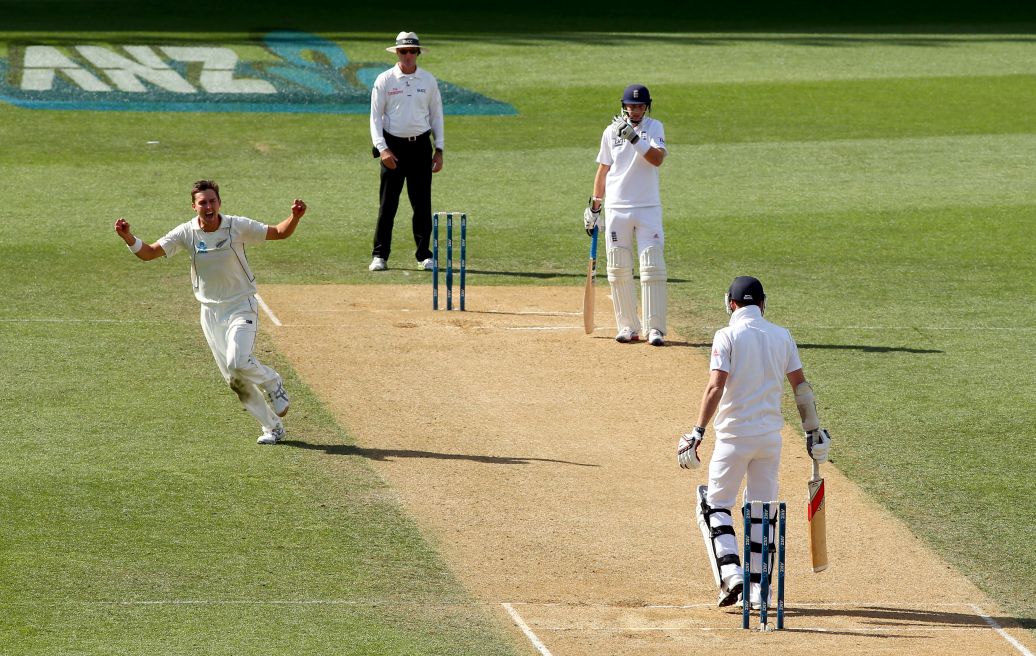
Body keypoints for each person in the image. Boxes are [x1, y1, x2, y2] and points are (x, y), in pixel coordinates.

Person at [113, 179, 307, 445]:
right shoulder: (186, 232)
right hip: (210, 313)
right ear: (194, 206)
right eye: (202, 202)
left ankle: (273, 382)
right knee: (234, 379)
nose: (208, 206)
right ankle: (272, 427)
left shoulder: (236, 226)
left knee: (237, 361)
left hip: (241, 305)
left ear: (219, 203)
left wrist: (294, 217)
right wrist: (128, 237)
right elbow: (149, 253)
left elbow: (279, 233)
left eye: (212, 201)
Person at [676, 276, 831, 608]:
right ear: (762, 304)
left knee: (714, 505)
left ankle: (732, 575)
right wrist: (813, 431)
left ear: (731, 304)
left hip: (733, 439)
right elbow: (801, 389)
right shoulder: (782, 336)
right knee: (762, 513)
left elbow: (715, 386)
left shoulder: (726, 335)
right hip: (768, 441)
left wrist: (697, 432)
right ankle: (761, 591)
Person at [583, 83, 668, 346]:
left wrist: (633, 138)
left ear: (647, 106)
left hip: (647, 208)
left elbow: (657, 159)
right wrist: (595, 207)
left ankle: (655, 329)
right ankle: (627, 326)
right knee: (618, 268)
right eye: (631, 106)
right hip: (617, 208)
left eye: (640, 105)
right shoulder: (610, 132)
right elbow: (603, 170)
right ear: (624, 106)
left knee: (651, 266)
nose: (635, 110)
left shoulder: (655, 128)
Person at [368, 31, 445, 272]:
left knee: (422, 204)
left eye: (413, 51)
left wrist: (439, 148)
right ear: (397, 53)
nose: (408, 55)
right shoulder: (385, 79)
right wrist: (383, 149)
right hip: (393, 147)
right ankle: (380, 255)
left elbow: (437, 115)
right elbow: (375, 117)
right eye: (404, 51)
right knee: (388, 205)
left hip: (421, 146)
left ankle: (424, 255)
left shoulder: (428, 80)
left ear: (418, 53)